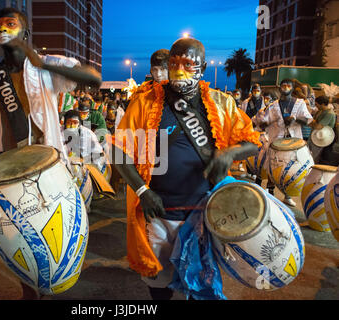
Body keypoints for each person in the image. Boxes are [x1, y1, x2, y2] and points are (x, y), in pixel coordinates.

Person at [0, 7, 100, 299]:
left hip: (47, 165)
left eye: (10, 23)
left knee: (55, 238)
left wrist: (37, 60)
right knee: (18, 241)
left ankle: (45, 288)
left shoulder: (46, 65)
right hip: (8, 170)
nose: (3, 28)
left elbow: (91, 78)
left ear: (25, 32)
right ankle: (29, 289)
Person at [110, 37, 260, 300]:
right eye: (174, 63)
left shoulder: (221, 103)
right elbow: (118, 152)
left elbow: (252, 142)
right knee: (159, 284)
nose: (178, 70)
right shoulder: (145, 103)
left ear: (201, 68)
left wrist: (230, 154)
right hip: (158, 210)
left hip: (205, 212)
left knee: (200, 282)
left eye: (187, 64)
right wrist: (143, 191)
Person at [259, 78, 313, 207]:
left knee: (291, 170)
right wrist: (266, 122)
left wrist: (295, 119)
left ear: (292, 88)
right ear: (279, 88)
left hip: (293, 142)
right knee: (273, 167)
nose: (286, 88)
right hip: (276, 141)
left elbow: (308, 120)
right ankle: (270, 193)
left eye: (289, 86)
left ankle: (287, 196)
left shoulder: (300, 103)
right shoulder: (273, 105)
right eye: (283, 85)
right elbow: (263, 123)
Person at [309, 95, 337, 163]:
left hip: (321, 139)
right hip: (313, 136)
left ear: (323, 104)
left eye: (317, 104)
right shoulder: (320, 111)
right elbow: (311, 123)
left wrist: (312, 122)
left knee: (314, 158)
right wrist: (313, 122)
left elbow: (318, 126)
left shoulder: (329, 114)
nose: (316, 106)